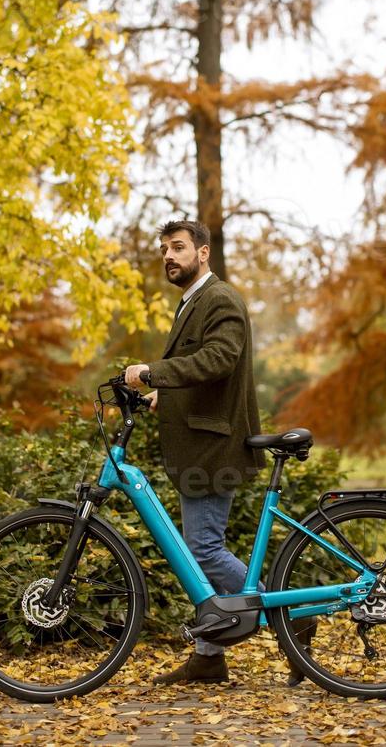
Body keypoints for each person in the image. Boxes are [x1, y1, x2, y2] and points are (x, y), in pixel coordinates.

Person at [124, 218, 265, 684]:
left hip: (213, 447)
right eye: (164, 248)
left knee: (202, 549)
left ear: (203, 253)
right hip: (201, 443)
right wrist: (167, 393)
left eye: (179, 247)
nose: (169, 255)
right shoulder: (193, 302)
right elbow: (205, 370)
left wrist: (154, 372)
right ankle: (208, 657)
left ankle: (292, 617)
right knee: (198, 550)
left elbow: (220, 358)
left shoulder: (218, 298)